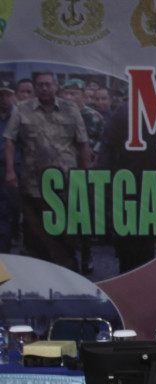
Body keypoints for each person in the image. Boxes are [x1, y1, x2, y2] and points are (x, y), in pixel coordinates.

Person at [3, 71, 90, 272]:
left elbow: (83, 143)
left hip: (65, 181)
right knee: (35, 231)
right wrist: (10, 170)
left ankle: (68, 271)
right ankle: (40, 272)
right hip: (33, 182)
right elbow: (10, 140)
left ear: (56, 86)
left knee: (66, 229)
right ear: (35, 87)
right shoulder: (23, 110)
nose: (44, 88)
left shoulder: (70, 109)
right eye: (40, 85)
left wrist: (87, 175)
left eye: (48, 84)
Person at [0, 81, 18, 253]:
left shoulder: (19, 116)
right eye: (1, 95)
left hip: (14, 167)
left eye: (7, 95)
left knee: (11, 210)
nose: (4, 99)